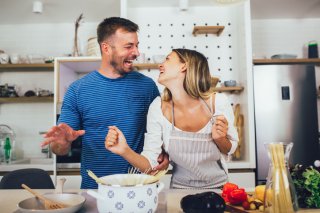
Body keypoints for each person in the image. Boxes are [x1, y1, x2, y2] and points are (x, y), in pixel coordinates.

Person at [41, 17, 169, 189]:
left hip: (140, 187)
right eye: (129, 46)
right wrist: (63, 142)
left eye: (137, 45)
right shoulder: (77, 90)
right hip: (95, 190)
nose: (137, 52)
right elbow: (59, 149)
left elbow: (158, 132)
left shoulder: (147, 86)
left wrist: (164, 153)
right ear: (106, 48)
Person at [105, 48, 239, 189]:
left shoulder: (218, 103)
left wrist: (220, 139)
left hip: (220, 190)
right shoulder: (158, 107)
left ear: (184, 66)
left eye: (167, 59)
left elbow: (230, 149)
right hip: (179, 192)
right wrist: (124, 150)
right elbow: (150, 165)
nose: (160, 65)